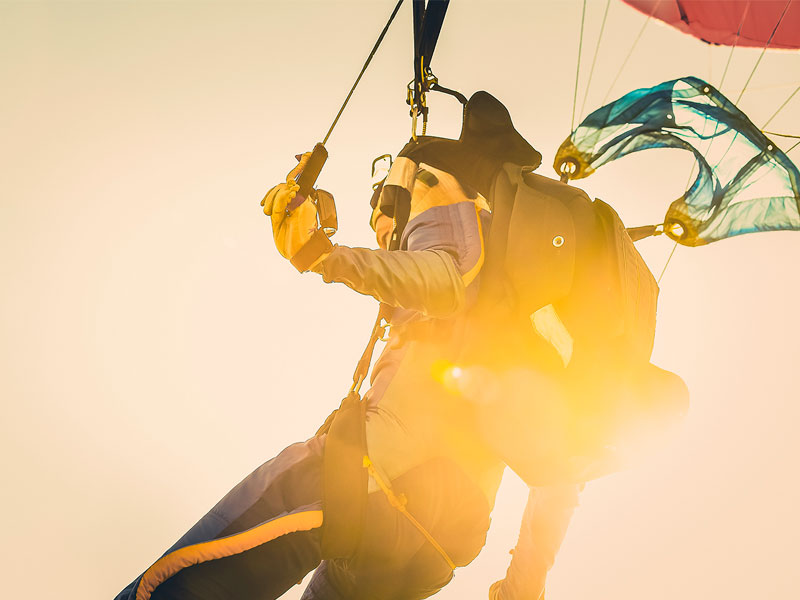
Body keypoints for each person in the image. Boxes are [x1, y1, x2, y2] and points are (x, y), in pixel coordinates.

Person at [115, 92, 688, 600]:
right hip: (433, 553)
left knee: (175, 585)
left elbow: (441, 276)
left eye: (382, 209)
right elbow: (559, 472)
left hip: (362, 488)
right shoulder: (534, 330)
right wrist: (525, 584)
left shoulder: (447, 207)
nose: (382, 230)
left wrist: (322, 255)